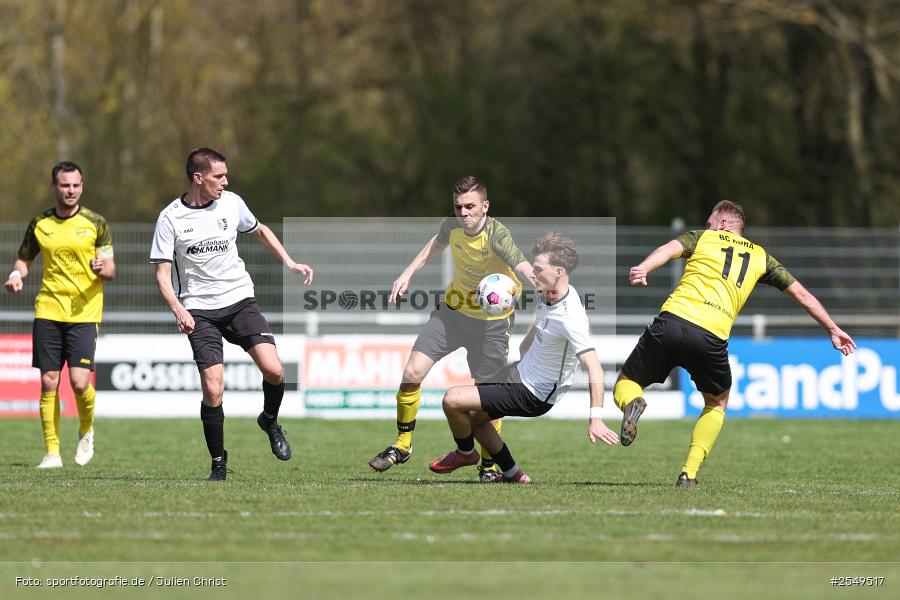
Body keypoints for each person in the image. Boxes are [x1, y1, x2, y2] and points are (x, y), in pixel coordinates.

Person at [614, 200, 857, 487]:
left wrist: (643, 267)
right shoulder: (761, 257)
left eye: (710, 222)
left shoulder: (702, 238)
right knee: (717, 403)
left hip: (673, 321)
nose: (707, 226)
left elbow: (668, 250)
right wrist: (832, 328)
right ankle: (688, 474)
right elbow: (802, 295)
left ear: (723, 223)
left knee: (626, 382)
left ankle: (633, 402)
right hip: (711, 336)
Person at [150, 148, 313, 481]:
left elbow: (260, 230)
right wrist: (178, 308)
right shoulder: (170, 218)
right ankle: (218, 464)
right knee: (213, 390)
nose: (225, 182)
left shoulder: (232, 203)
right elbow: (163, 275)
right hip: (199, 309)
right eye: (218, 176)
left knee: (274, 369)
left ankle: (269, 419)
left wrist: (290, 261)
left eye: (225, 175)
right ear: (199, 178)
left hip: (240, 300)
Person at [367, 176, 535, 482]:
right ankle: (403, 445)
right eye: (459, 207)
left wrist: (542, 283)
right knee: (412, 373)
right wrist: (408, 272)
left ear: (485, 206)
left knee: (487, 399)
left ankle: (487, 467)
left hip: (491, 325)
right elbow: (435, 244)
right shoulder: (452, 225)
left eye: (471, 207)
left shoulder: (497, 235)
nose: (464, 213)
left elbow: (521, 264)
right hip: (452, 314)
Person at [429, 232, 619, 483]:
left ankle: (465, 453)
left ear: (559, 272)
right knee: (475, 417)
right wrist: (525, 348)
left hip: (534, 392)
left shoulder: (571, 317)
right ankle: (513, 475)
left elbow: (595, 368)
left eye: (538, 269)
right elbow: (541, 320)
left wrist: (596, 417)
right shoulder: (547, 291)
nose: (533, 274)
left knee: (452, 399)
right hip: (521, 372)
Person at [4, 161, 115, 469]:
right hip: (48, 310)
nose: (71, 190)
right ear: (54, 187)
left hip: (84, 312)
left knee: (80, 384)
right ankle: (52, 453)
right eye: (65, 185)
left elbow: (111, 268)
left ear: (82, 187)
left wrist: (102, 268)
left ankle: (86, 429)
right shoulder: (40, 224)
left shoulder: (96, 223)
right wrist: (17, 275)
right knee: (48, 381)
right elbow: (24, 259)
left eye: (76, 185)